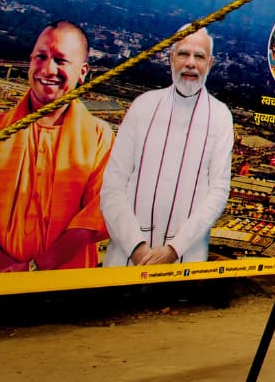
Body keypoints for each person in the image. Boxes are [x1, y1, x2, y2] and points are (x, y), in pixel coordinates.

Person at [0, 21, 114, 274]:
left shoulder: (99, 138)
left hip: (62, 287)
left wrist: (37, 269)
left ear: (83, 71)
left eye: (61, 61)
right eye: (41, 57)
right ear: (30, 61)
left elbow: (95, 216)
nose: (48, 69)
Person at [100, 27, 234, 267]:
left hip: (185, 258)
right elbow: (113, 186)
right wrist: (137, 248)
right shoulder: (143, 106)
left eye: (199, 56)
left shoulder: (220, 116)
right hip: (126, 257)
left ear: (210, 63)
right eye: (183, 54)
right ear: (171, 58)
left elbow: (218, 191)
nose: (191, 63)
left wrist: (174, 249)